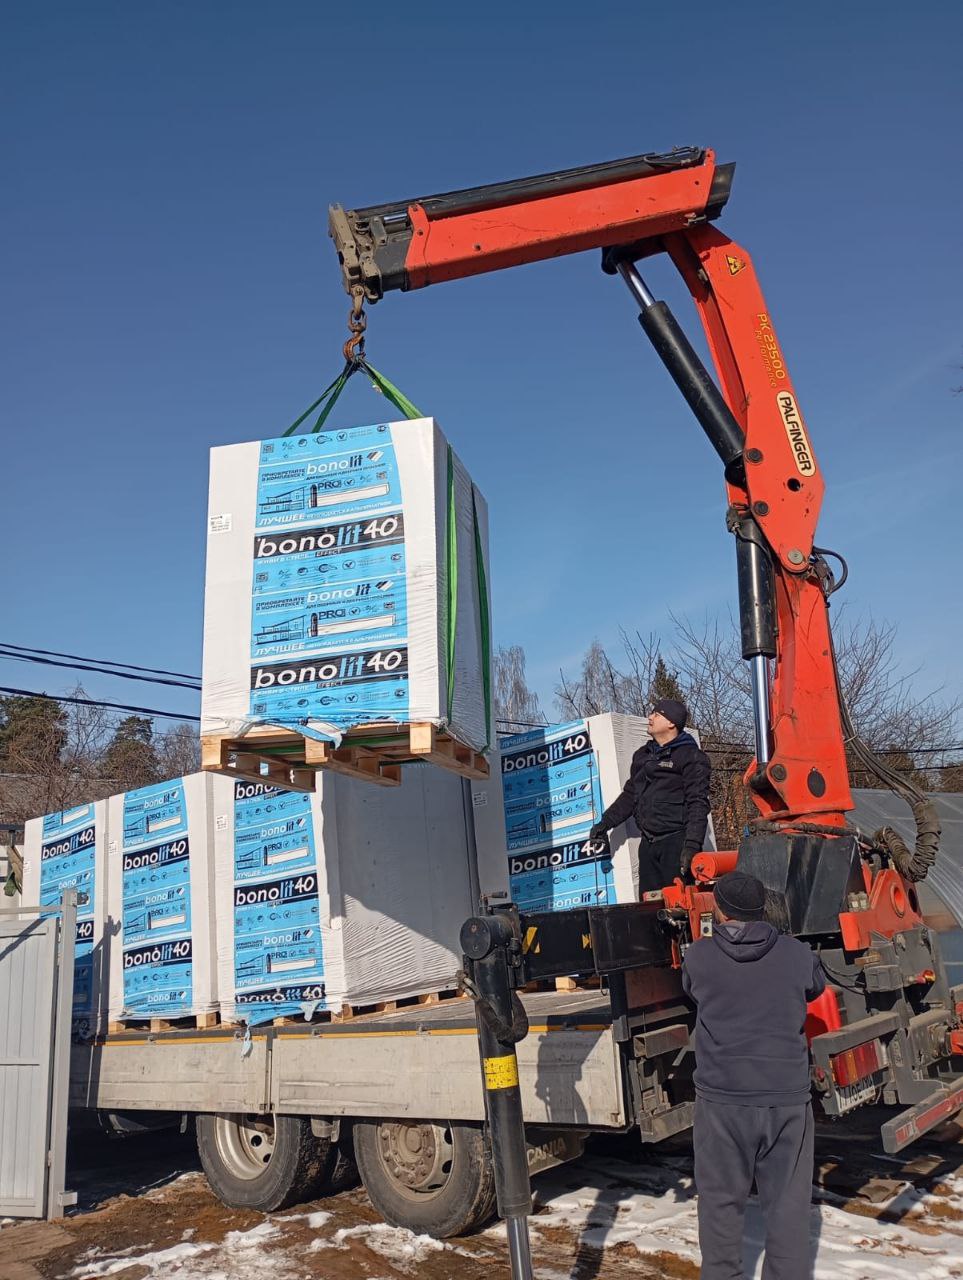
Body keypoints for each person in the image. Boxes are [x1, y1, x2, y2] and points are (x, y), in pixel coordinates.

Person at [682, 871, 826, 1280]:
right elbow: (815, 986)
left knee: (720, 1209)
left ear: (718, 909)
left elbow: (691, 990)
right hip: (786, 1101)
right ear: (763, 909)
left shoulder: (699, 957)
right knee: (788, 1211)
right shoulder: (797, 954)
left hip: (722, 1102)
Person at [589, 697, 710, 893]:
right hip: (648, 844)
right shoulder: (643, 756)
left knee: (679, 904)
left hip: (676, 843)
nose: (650, 717)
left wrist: (692, 845)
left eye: (657, 714)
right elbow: (630, 795)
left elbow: (698, 802)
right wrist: (604, 824)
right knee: (650, 904)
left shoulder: (691, 756)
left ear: (671, 723)